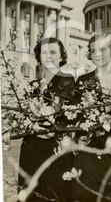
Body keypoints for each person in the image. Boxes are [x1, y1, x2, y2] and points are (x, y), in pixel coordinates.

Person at [71, 33, 111, 202]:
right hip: (89, 157)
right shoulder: (82, 81)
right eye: (93, 50)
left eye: (102, 49)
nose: (97, 54)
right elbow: (74, 117)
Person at [18, 37, 75, 201]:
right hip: (31, 150)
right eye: (44, 52)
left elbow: (61, 112)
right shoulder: (31, 86)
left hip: (54, 149)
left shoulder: (68, 81)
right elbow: (22, 117)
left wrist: (44, 127)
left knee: (53, 193)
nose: (48, 56)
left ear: (62, 57)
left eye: (53, 52)